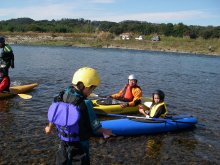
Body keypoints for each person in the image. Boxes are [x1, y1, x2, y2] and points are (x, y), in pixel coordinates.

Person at [45, 67, 114, 165]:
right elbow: (94, 126)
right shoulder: (85, 104)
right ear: (83, 86)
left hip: (63, 142)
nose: (91, 92)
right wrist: (105, 131)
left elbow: (54, 113)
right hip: (80, 144)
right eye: (92, 88)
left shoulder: (60, 96)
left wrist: (49, 127)